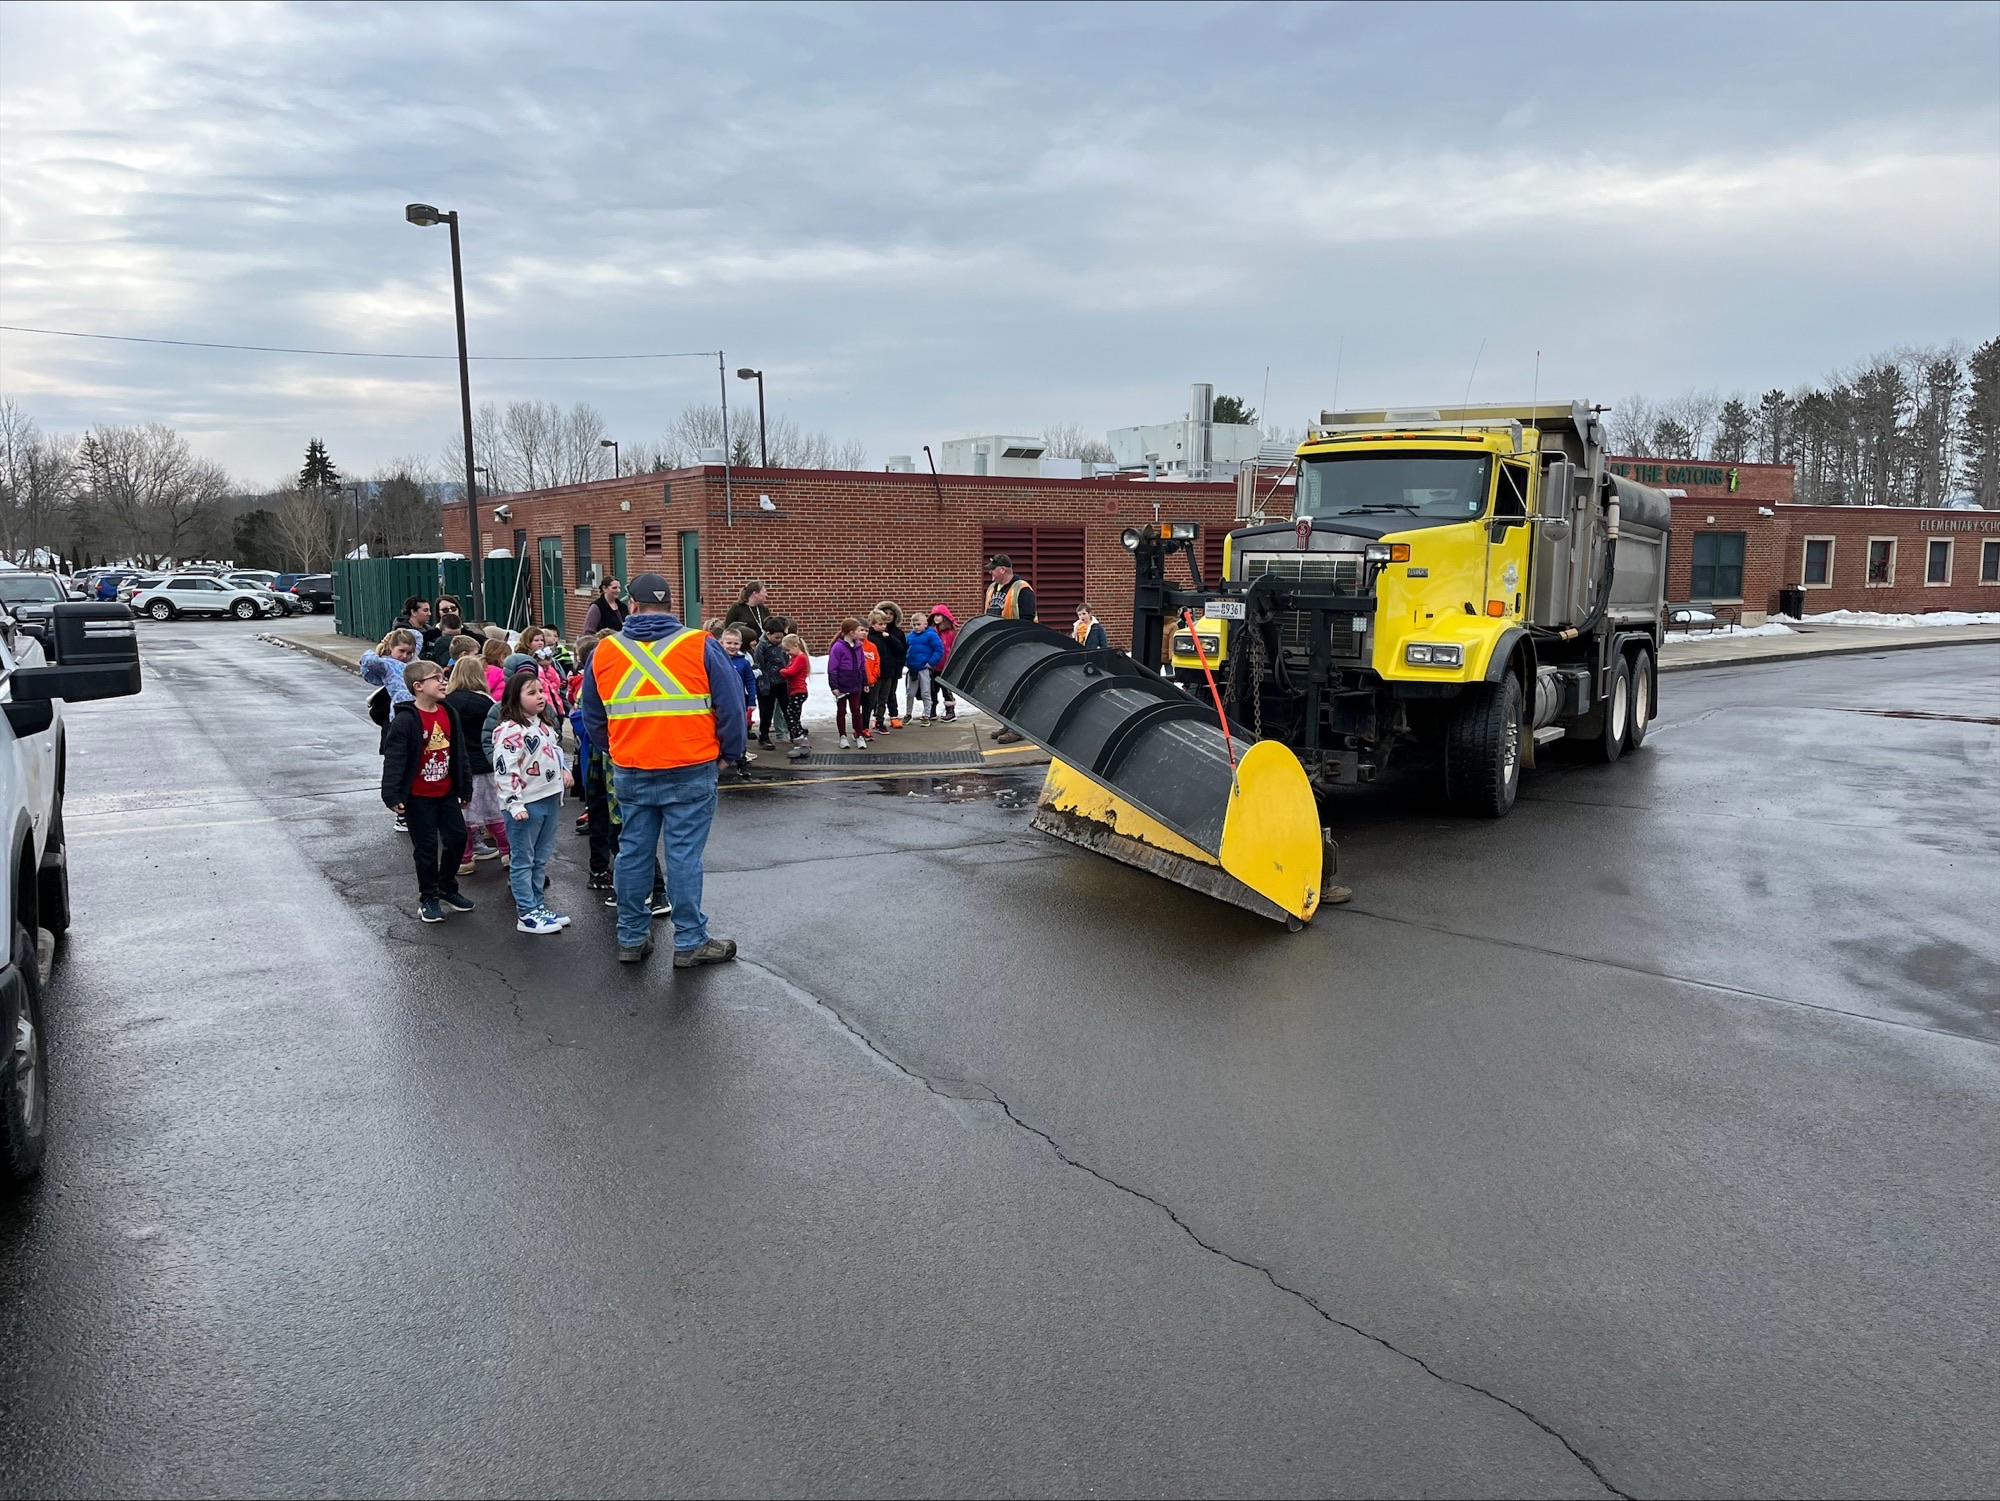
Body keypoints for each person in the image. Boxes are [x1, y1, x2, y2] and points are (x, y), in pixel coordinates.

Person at [578, 571, 744, 968]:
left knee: (634, 851)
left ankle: (632, 938)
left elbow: (592, 716)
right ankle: (689, 941)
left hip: (633, 767)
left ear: (631, 606)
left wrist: (616, 749)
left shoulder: (605, 651)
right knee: (684, 854)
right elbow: (732, 706)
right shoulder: (699, 644)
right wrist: (730, 754)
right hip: (691, 763)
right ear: (672, 606)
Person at [379, 659, 476, 924]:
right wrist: (392, 794)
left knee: (457, 838)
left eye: (444, 677)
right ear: (418, 686)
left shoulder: (448, 712)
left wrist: (465, 787)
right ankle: (429, 897)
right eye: (437, 678)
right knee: (427, 847)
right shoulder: (406, 721)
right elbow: (395, 759)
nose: (444, 682)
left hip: (445, 792)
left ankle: (447, 887)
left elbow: (459, 753)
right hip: (418, 797)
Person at [492, 670, 573, 935]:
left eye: (540, 691)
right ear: (516, 698)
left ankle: (538, 905)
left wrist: (563, 771)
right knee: (523, 859)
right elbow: (505, 769)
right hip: (526, 806)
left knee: (540, 858)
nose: (540, 696)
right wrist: (514, 804)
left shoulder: (543, 725)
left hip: (548, 798)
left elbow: (554, 753)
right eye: (532, 692)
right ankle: (526, 912)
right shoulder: (509, 730)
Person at [445, 655, 509, 871]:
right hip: (484, 763)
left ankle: (465, 859)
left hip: (459, 766)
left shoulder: (446, 701)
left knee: (464, 816)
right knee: (494, 812)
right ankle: (508, 852)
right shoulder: (486, 702)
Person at [827, 617, 871, 750]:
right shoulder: (838, 647)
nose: (861, 633)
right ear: (851, 632)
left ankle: (859, 735)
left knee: (856, 711)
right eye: (858, 630)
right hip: (841, 685)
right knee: (841, 711)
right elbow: (832, 668)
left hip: (855, 684)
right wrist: (834, 686)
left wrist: (865, 682)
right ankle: (842, 736)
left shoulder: (858, 646)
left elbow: (862, 665)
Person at [719, 627, 759, 769]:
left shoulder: (744, 663)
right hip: (720, 703)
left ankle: (741, 760)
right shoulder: (717, 660)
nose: (732, 646)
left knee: (739, 731)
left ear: (741, 644)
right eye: (728, 643)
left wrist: (752, 701)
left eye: (736, 644)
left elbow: (750, 682)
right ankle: (719, 758)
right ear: (721, 642)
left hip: (738, 702)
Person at [869, 601, 908, 733]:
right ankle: (877, 718)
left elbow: (901, 650)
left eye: (892, 614)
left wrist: (899, 667)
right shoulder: (872, 635)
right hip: (878, 670)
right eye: (886, 614)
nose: (889, 616)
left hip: (892, 669)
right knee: (877, 696)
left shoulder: (897, 633)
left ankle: (893, 715)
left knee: (890, 693)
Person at [753, 618, 791, 749]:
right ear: (768, 634)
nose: (779, 640)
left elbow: (786, 660)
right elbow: (759, 666)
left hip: (782, 682)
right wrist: (764, 685)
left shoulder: (782, 645)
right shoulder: (761, 647)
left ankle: (793, 732)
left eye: (781, 637)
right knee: (766, 711)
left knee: (787, 708)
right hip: (767, 684)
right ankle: (764, 736)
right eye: (776, 637)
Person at [904, 611, 943, 723]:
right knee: (910, 693)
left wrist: (931, 663)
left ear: (925, 624)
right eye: (914, 625)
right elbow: (906, 649)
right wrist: (906, 662)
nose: (916, 627)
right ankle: (908, 713)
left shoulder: (931, 635)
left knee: (926, 692)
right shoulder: (910, 636)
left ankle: (927, 714)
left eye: (918, 624)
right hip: (912, 669)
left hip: (924, 668)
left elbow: (939, 649)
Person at [779, 632, 811, 760]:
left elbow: (790, 672)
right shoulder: (795, 658)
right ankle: (800, 742)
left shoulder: (801, 658)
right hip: (794, 691)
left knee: (791, 716)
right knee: (793, 717)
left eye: (788, 650)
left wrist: (781, 671)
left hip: (799, 691)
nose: (787, 653)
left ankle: (801, 743)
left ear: (796, 646)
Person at [929, 604, 960, 722]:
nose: (935, 618)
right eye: (934, 616)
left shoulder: (951, 633)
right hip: (933, 666)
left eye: (938, 615)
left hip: (945, 667)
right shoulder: (931, 632)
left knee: (946, 690)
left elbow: (953, 648)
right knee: (932, 690)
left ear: (944, 617)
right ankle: (931, 710)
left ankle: (950, 711)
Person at [722, 581, 775, 648]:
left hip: (762, 647)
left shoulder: (764, 609)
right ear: (755, 593)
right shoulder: (737, 608)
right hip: (744, 647)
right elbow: (728, 629)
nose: (766, 595)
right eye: (764, 592)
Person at [984, 555, 1036, 622]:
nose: (990, 572)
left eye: (993, 569)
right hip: (994, 632)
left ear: (1002, 570)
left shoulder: (1022, 588)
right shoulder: (991, 588)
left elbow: (1028, 620)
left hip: (1014, 632)